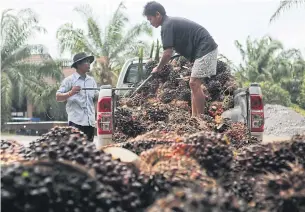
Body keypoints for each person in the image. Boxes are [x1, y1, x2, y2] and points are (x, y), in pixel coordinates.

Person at [143, 1, 218, 117]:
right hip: (203, 50)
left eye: (150, 19)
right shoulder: (169, 23)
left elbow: (167, 53)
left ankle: (201, 119)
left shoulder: (167, 25)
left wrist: (158, 68)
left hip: (206, 48)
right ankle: (194, 118)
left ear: (158, 14)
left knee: (194, 83)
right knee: (193, 84)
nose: (150, 23)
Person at [56, 52, 98, 141]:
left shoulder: (92, 81)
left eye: (89, 61)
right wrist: (71, 93)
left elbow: (96, 97)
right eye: (86, 61)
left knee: (90, 151)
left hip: (90, 123)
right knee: (76, 150)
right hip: (76, 122)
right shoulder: (69, 80)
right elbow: (58, 97)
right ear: (78, 64)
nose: (89, 64)